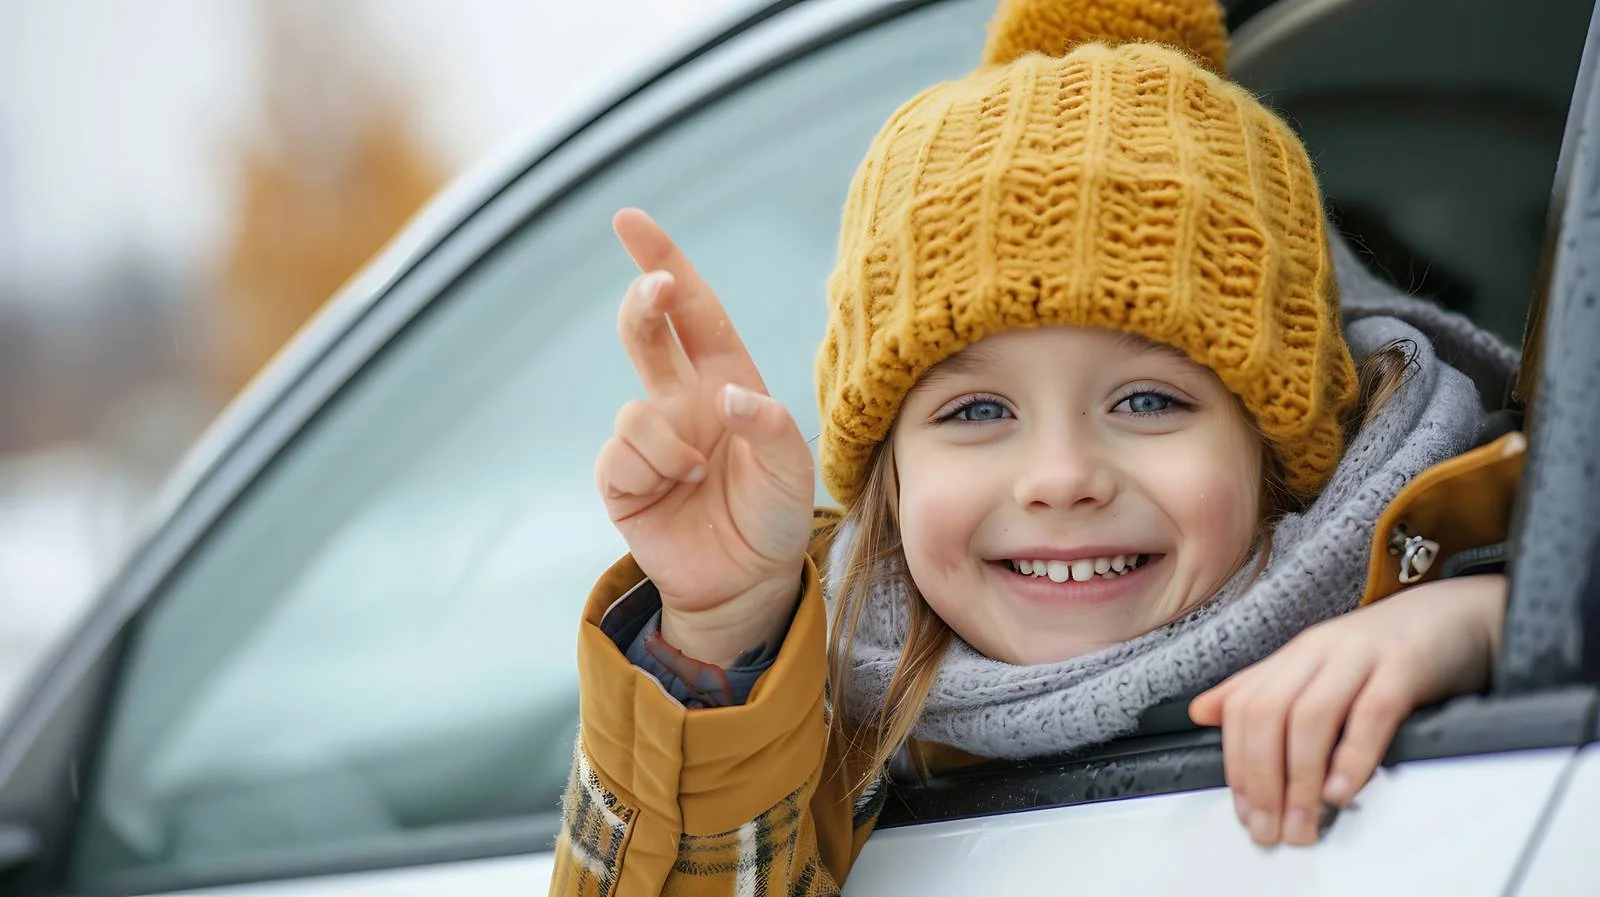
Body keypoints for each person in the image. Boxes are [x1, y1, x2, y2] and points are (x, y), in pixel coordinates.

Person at [552, 0, 1517, 892]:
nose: (1060, 478)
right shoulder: (830, 728)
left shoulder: (1453, 584)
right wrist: (722, 634)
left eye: (1147, 398)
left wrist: (1487, 621)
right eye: (976, 412)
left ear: (1273, 446)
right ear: (889, 471)